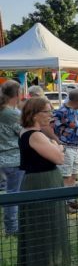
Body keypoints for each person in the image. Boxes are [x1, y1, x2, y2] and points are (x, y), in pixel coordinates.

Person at [17, 97, 70, 266]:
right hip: (42, 182)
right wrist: (58, 147)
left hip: (41, 181)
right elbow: (59, 158)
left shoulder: (32, 132)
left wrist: (56, 147)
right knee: (45, 226)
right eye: (47, 111)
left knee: (46, 225)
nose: (51, 115)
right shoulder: (35, 135)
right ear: (35, 114)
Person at [0, 80, 23, 236]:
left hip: (3, 158)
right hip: (13, 159)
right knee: (14, 194)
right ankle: (12, 228)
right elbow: (24, 133)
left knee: (9, 193)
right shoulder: (12, 113)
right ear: (17, 94)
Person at [52, 88, 78, 188]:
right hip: (66, 148)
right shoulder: (62, 112)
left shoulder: (75, 111)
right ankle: (65, 201)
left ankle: (71, 201)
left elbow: (76, 128)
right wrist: (59, 142)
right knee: (65, 176)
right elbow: (51, 127)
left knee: (74, 175)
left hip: (75, 147)